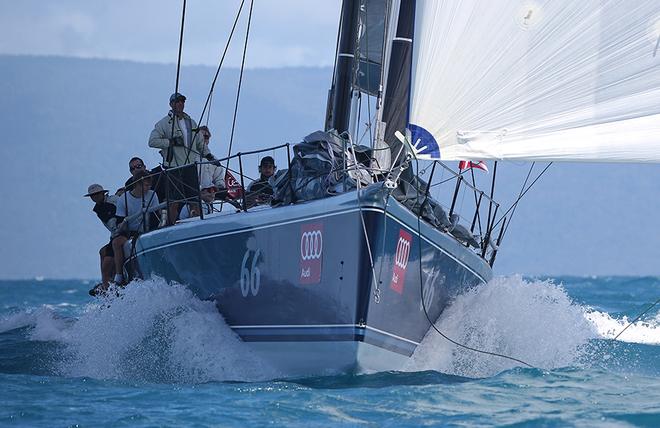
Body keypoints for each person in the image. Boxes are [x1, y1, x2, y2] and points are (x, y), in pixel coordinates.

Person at [148, 92, 219, 223]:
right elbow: (152, 141)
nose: (180, 103)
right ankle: (169, 227)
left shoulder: (191, 122)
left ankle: (198, 224)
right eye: (177, 101)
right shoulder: (163, 123)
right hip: (173, 167)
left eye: (182, 101)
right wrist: (171, 142)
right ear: (171, 104)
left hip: (190, 166)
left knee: (194, 199)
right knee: (174, 201)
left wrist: (209, 156)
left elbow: (199, 143)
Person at [111, 171, 161, 285]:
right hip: (129, 231)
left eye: (149, 185)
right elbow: (120, 222)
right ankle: (118, 276)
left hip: (147, 230)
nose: (148, 188)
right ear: (137, 184)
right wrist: (123, 224)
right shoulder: (123, 199)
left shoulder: (152, 195)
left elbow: (155, 216)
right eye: (146, 185)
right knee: (116, 242)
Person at [84, 184, 118, 295]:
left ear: (103, 193)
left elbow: (115, 221)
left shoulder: (113, 201)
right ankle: (106, 283)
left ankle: (108, 284)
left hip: (121, 232)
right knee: (102, 252)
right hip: (115, 234)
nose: (95, 197)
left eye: (97, 194)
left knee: (107, 262)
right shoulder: (99, 208)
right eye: (92, 195)